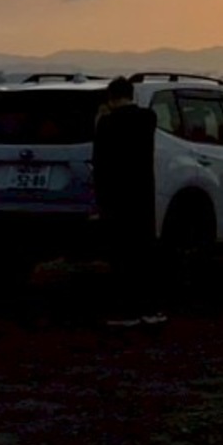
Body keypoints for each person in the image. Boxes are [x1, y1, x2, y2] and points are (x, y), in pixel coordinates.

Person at [91, 76, 164, 328]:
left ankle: (127, 312)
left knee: (121, 256)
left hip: (116, 197)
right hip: (143, 194)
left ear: (111, 97)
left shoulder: (107, 124)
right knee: (144, 254)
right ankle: (151, 309)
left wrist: (100, 118)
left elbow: (99, 162)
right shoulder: (148, 118)